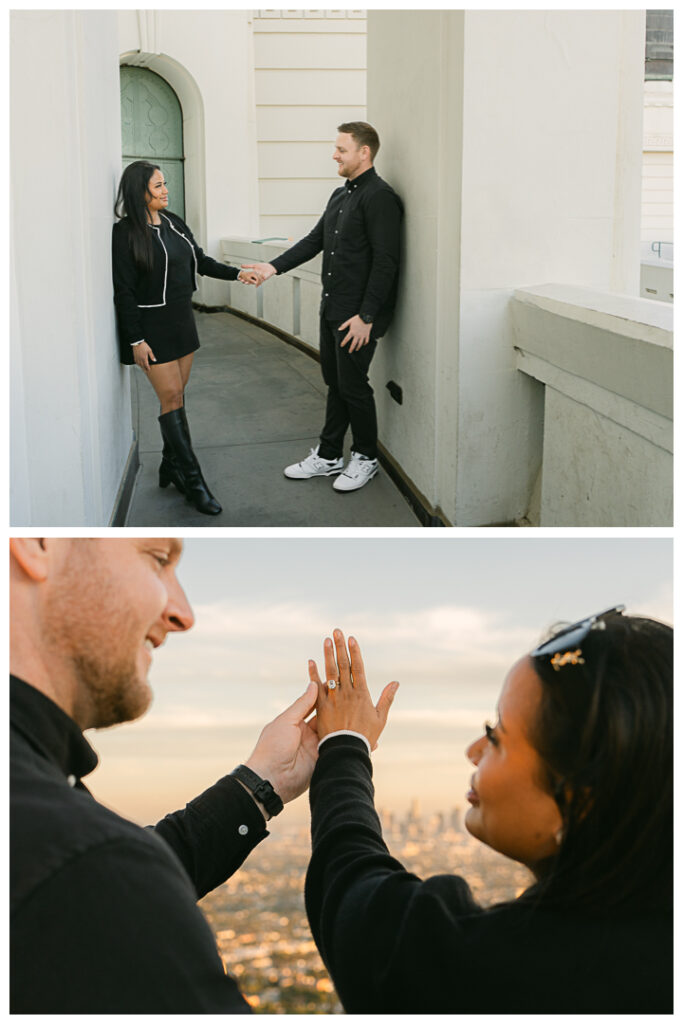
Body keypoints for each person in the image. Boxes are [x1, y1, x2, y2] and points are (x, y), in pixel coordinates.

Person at [304, 612, 673, 1013]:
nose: (473, 750)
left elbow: (364, 920)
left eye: (496, 734)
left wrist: (343, 745)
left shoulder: (519, 979)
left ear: (579, 802)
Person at [10, 538, 319, 1013]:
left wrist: (263, 783)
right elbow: (99, 881)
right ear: (36, 544)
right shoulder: (80, 872)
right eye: (157, 559)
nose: (183, 613)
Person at [242, 122, 403, 493]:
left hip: (356, 316)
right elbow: (315, 241)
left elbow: (386, 263)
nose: (334, 155)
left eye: (341, 149)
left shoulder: (380, 197)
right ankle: (330, 455)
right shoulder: (339, 196)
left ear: (364, 152)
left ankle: (366, 457)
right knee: (336, 383)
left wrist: (367, 317)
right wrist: (271, 267)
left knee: (354, 387)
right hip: (332, 308)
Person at [112, 162, 259, 516]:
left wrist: (239, 273)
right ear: (139, 191)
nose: (165, 190)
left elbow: (202, 261)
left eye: (165, 184)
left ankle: (170, 465)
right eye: (158, 186)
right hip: (151, 327)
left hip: (181, 320)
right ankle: (195, 483)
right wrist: (135, 340)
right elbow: (124, 291)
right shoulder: (125, 232)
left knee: (177, 397)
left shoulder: (174, 222)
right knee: (172, 396)